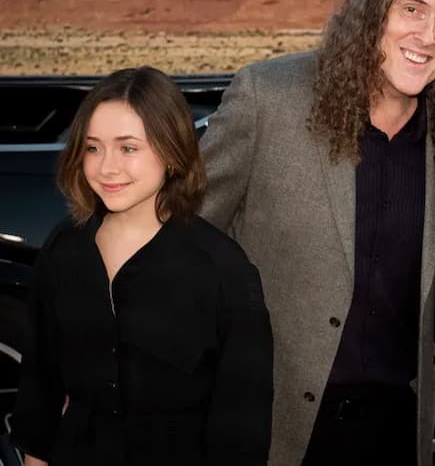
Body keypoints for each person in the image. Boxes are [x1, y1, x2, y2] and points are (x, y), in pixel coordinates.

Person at [199, 0, 435, 466]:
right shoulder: (269, 98)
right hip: (274, 427)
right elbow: (181, 242)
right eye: (412, 9)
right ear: (375, 6)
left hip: (398, 428)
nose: (428, 35)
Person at [11, 66, 273, 466]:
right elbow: (39, 384)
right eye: (93, 147)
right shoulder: (65, 247)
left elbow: (242, 426)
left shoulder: (224, 271)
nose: (106, 168)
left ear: (171, 151)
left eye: (128, 148)